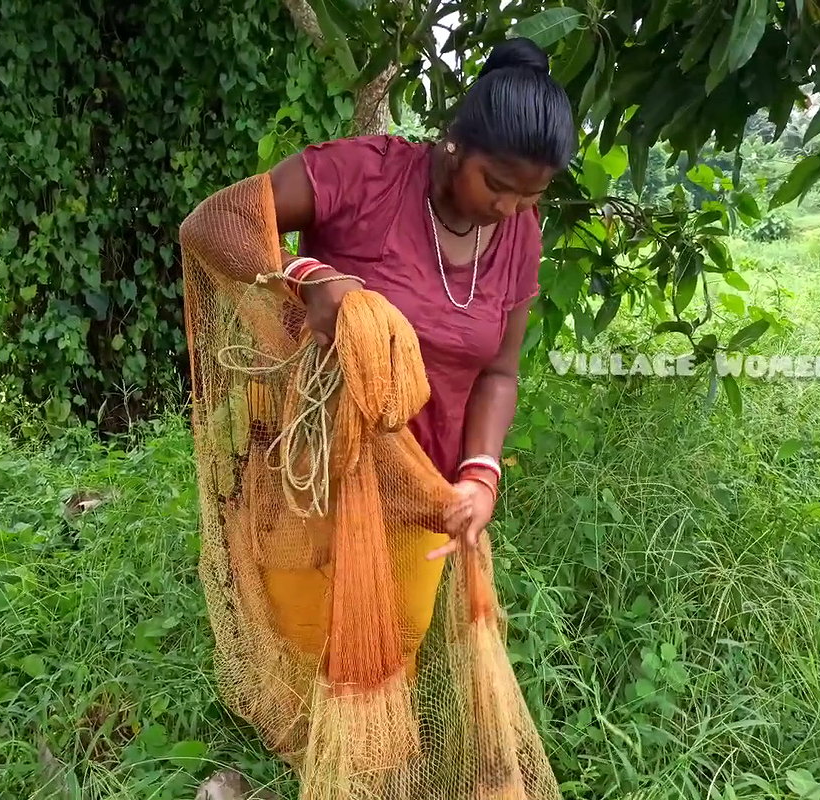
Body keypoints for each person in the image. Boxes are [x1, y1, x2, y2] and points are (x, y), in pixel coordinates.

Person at [185, 36, 576, 800]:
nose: (508, 209)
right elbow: (214, 224)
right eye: (496, 184)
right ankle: (320, 770)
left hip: (417, 486)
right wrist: (310, 274)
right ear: (453, 144)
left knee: (386, 650)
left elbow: (499, 371)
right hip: (309, 477)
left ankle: (359, 776)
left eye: (529, 198)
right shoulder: (360, 175)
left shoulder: (518, 235)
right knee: (305, 652)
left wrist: (481, 475)